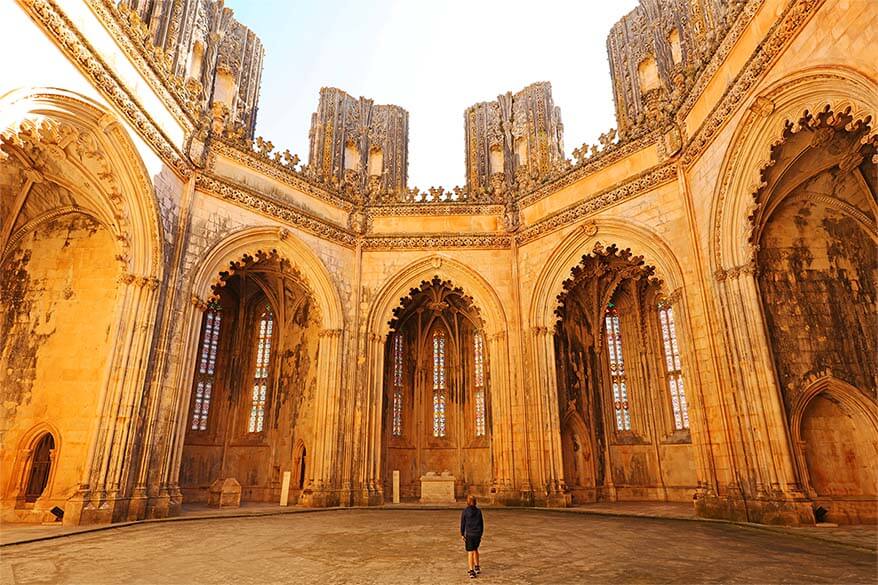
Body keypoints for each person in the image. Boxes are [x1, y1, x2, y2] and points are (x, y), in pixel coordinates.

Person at [460, 495, 484, 579]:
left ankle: (471, 570)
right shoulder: (478, 511)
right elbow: (481, 524)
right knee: (475, 549)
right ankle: (477, 566)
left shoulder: (465, 511)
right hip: (477, 533)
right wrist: (480, 534)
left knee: (470, 552)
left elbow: (463, 523)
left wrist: (462, 534)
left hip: (470, 534)